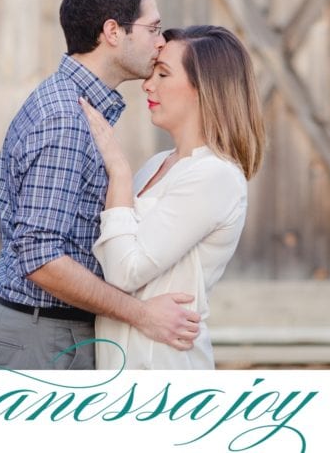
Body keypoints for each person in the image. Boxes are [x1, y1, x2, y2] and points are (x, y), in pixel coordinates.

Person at [0, 0, 202, 370]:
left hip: (46, 332)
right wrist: (142, 315)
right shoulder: (66, 119)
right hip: (41, 338)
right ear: (113, 32)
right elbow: (41, 257)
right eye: (153, 29)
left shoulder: (77, 107)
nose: (160, 43)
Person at [79, 25, 265, 369]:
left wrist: (118, 171)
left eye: (163, 74)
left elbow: (124, 272)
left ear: (204, 89)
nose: (148, 84)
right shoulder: (156, 165)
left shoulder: (215, 176)